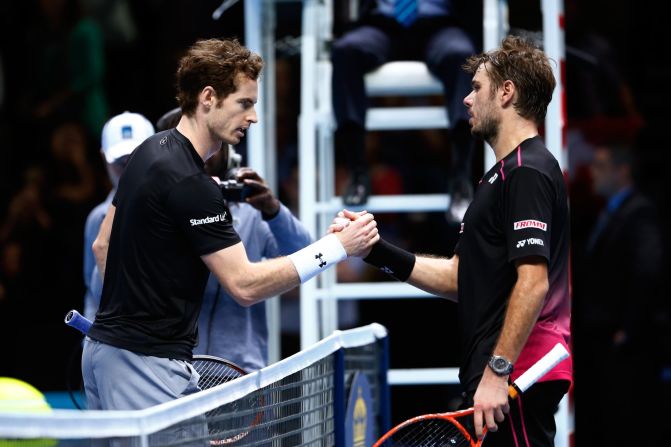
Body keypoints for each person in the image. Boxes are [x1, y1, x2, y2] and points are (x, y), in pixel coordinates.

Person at [82, 38, 379, 412]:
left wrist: (129, 319)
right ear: (208, 98)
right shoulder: (192, 184)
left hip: (108, 354)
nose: (253, 117)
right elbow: (244, 285)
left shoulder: (150, 150)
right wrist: (338, 246)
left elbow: (102, 247)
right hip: (145, 365)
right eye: (245, 103)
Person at [333, 35, 571, 445]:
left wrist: (498, 374)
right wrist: (376, 250)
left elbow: (533, 282)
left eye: (477, 88)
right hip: (501, 372)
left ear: (506, 93)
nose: (465, 99)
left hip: (517, 374)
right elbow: (462, 278)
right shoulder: (500, 176)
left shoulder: (527, 171)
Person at [154, 106, 312, 371]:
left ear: (227, 153)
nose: (201, 154)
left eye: (211, 144)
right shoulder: (155, 212)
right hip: (173, 370)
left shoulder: (252, 213)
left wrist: (272, 209)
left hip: (240, 372)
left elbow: (306, 254)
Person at [331, 0, 478, 221]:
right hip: (382, 24)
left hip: (439, 25)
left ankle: (461, 177)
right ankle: (358, 172)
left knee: (461, 54)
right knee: (346, 50)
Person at [572, 143, 664, 446]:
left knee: (623, 422)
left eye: (599, 166)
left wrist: (628, 329)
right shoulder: (608, 213)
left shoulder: (640, 213)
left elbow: (647, 271)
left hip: (621, 342)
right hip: (600, 338)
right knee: (603, 419)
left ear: (622, 171)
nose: (591, 173)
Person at [82, 111, 155, 321]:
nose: (129, 170)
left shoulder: (178, 206)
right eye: (121, 162)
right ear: (103, 157)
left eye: (135, 159)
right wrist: (89, 340)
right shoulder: (98, 218)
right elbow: (93, 295)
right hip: (114, 344)